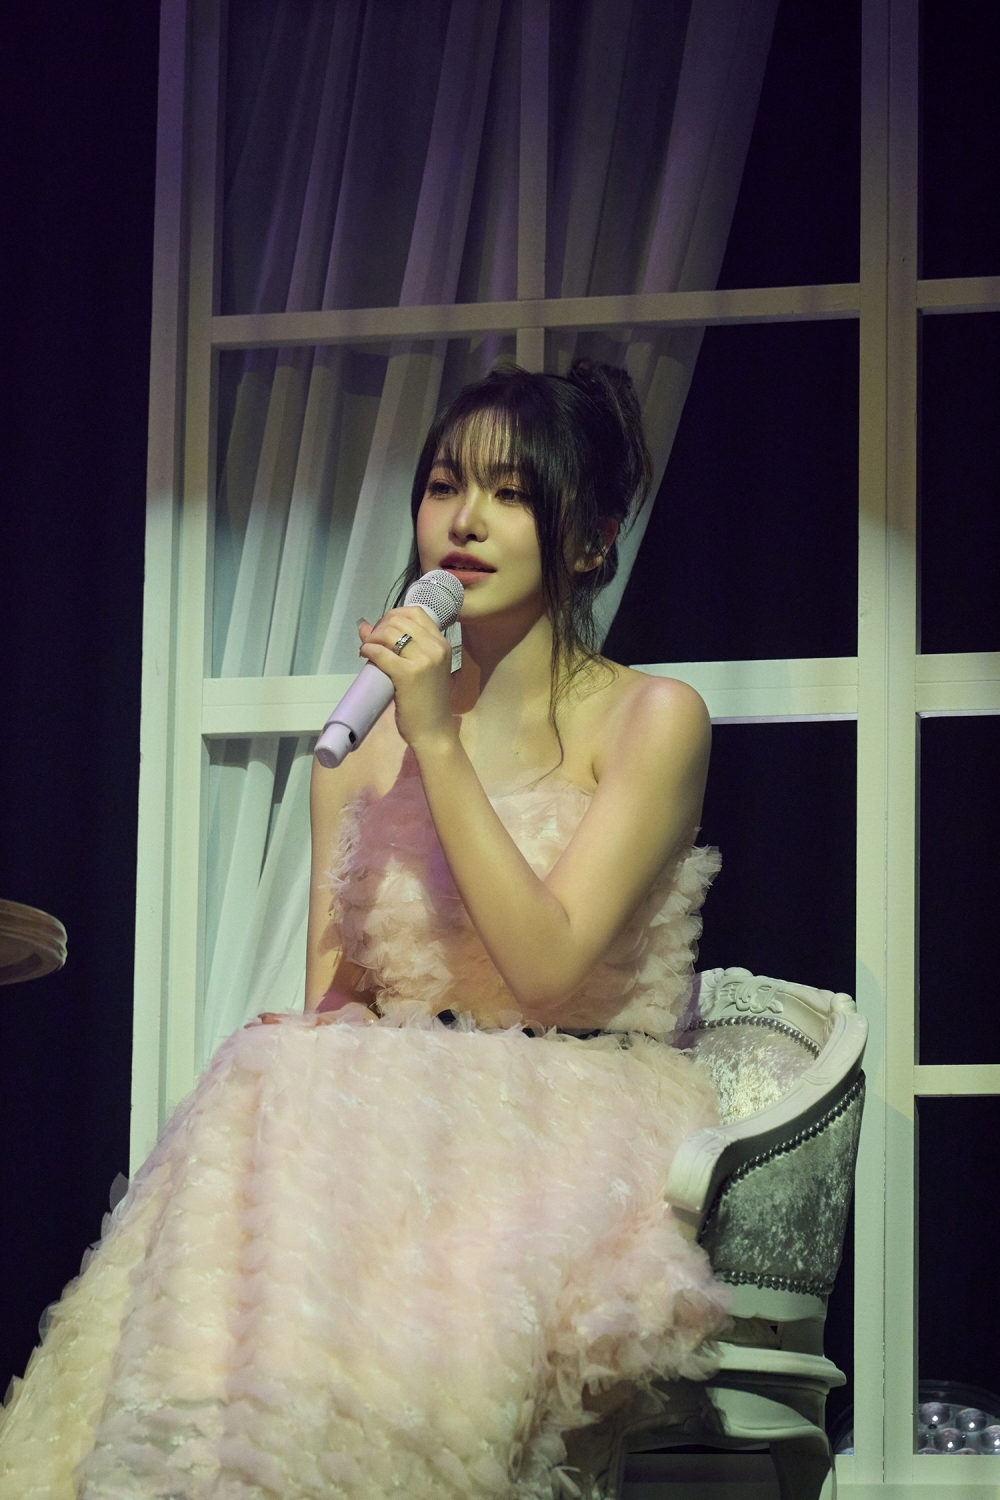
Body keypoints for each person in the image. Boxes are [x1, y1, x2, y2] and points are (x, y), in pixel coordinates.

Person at [0, 361, 729, 1500]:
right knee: (268, 1095)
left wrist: (436, 739)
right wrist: (316, 1028)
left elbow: (545, 968)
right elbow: (341, 992)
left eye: (511, 493)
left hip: (570, 1112)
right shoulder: (360, 749)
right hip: (398, 1115)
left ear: (591, 542)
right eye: (444, 485)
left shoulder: (651, 718)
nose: (466, 520)